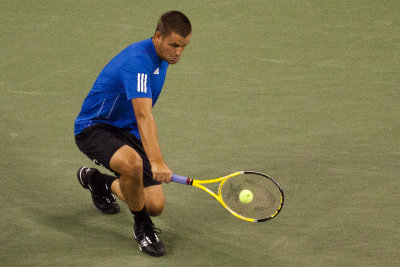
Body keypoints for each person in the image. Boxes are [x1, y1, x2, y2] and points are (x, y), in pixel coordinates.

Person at [73, 11, 192, 257]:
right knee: (132, 164)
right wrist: (157, 162)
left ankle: (98, 182)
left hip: (124, 131)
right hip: (94, 127)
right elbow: (143, 115)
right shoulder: (138, 62)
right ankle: (143, 228)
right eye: (174, 45)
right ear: (158, 36)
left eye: (183, 46)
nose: (178, 52)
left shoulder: (163, 57)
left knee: (154, 205)